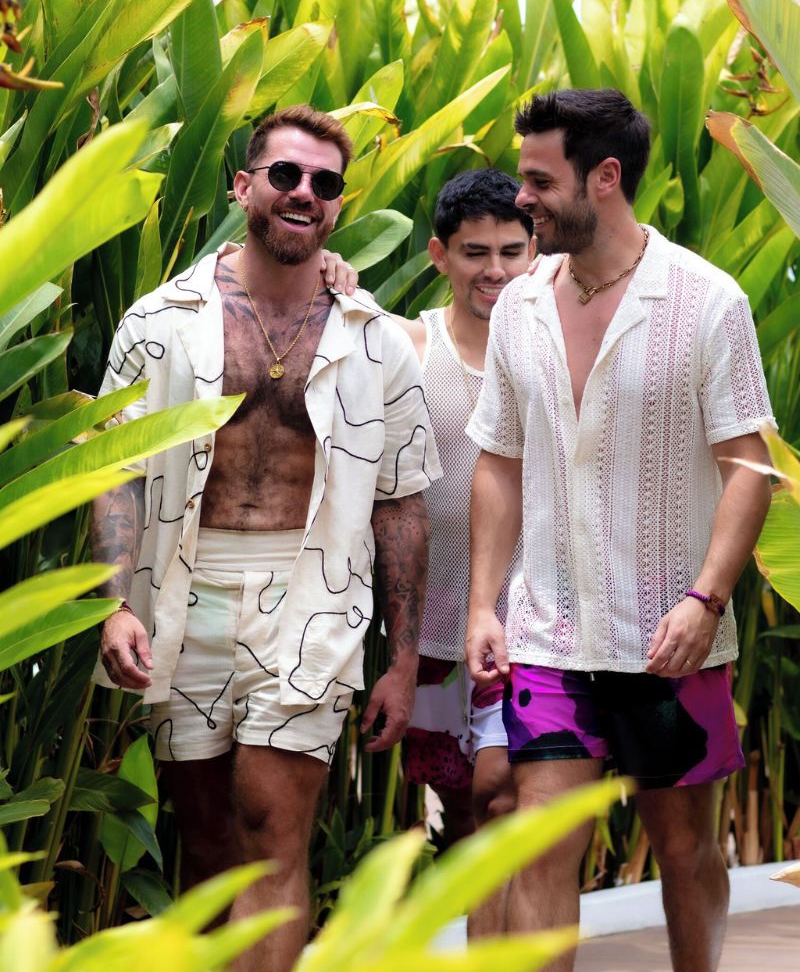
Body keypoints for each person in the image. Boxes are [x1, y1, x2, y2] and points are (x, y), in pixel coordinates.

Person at [91, 104, 440, 972]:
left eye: (325, 184)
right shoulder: (157, 323)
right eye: (286, 175)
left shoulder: (375, 342)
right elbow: (114, 474)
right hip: (182, 592)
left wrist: (401, 659)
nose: (304, 193)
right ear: (244, 186)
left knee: (271, 829)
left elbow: (400, 501)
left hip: (313, 599)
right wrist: (111, 605)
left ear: (337, 207)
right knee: (207, 843)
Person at [465, 88, 775, 972]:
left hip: (671, 641)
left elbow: (750, 465)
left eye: (537, 180)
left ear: (605, 178)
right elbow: (498, 460)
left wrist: (706, 599)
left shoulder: (705, 301)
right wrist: (485, 606)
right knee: (540, 843)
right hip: (550, 635)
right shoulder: (520, 306)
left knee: (685, 851)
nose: (520, 197)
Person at [391, 168, 533, 934]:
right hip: (435, 640)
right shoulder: (411, 348)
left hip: (531, 632)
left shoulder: (553, 356)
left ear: (538, 252)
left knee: (505, 797)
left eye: (513, 250)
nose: (496, 271)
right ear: (440, 255)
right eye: (476, 252)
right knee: (468, 820)